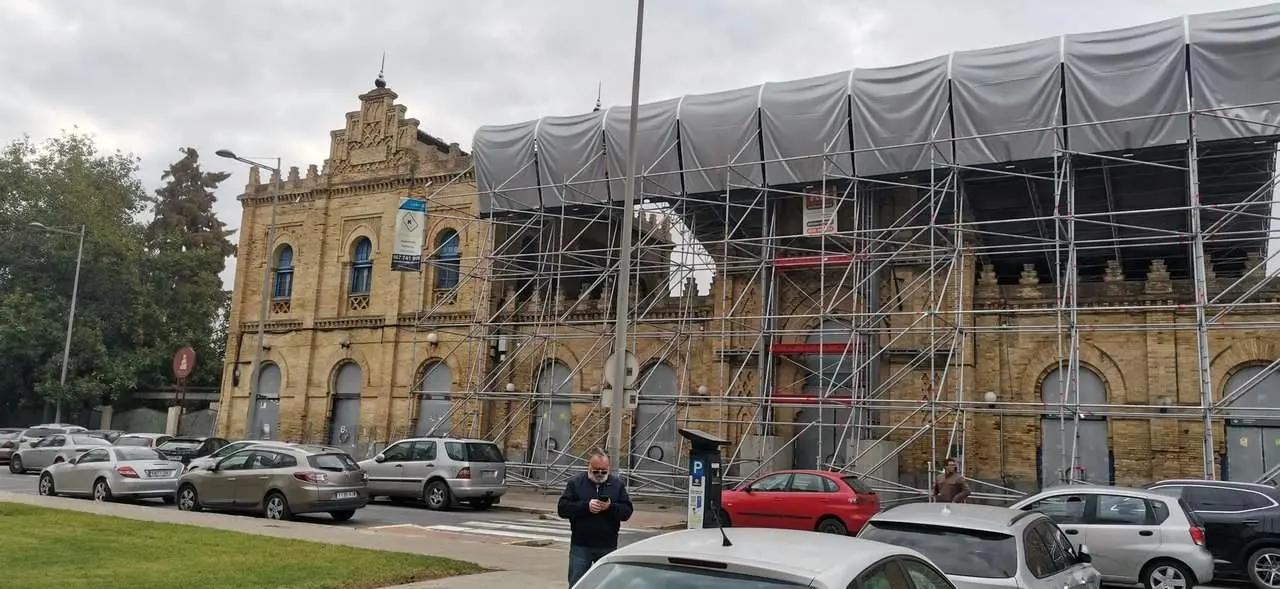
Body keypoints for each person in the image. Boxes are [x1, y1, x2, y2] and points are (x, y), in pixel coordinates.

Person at [558, 450, 634, 586]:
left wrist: (609, 507)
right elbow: (563, 508)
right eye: (596, 471)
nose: (600, 474)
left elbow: (627, 512)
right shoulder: (575, 483)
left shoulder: (617, 485)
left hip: (607, 545)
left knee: (607, 584)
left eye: (604, 471)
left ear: (608, 469)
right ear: (589, 467)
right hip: (581, 545)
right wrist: (586, 506)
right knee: (578, 583)